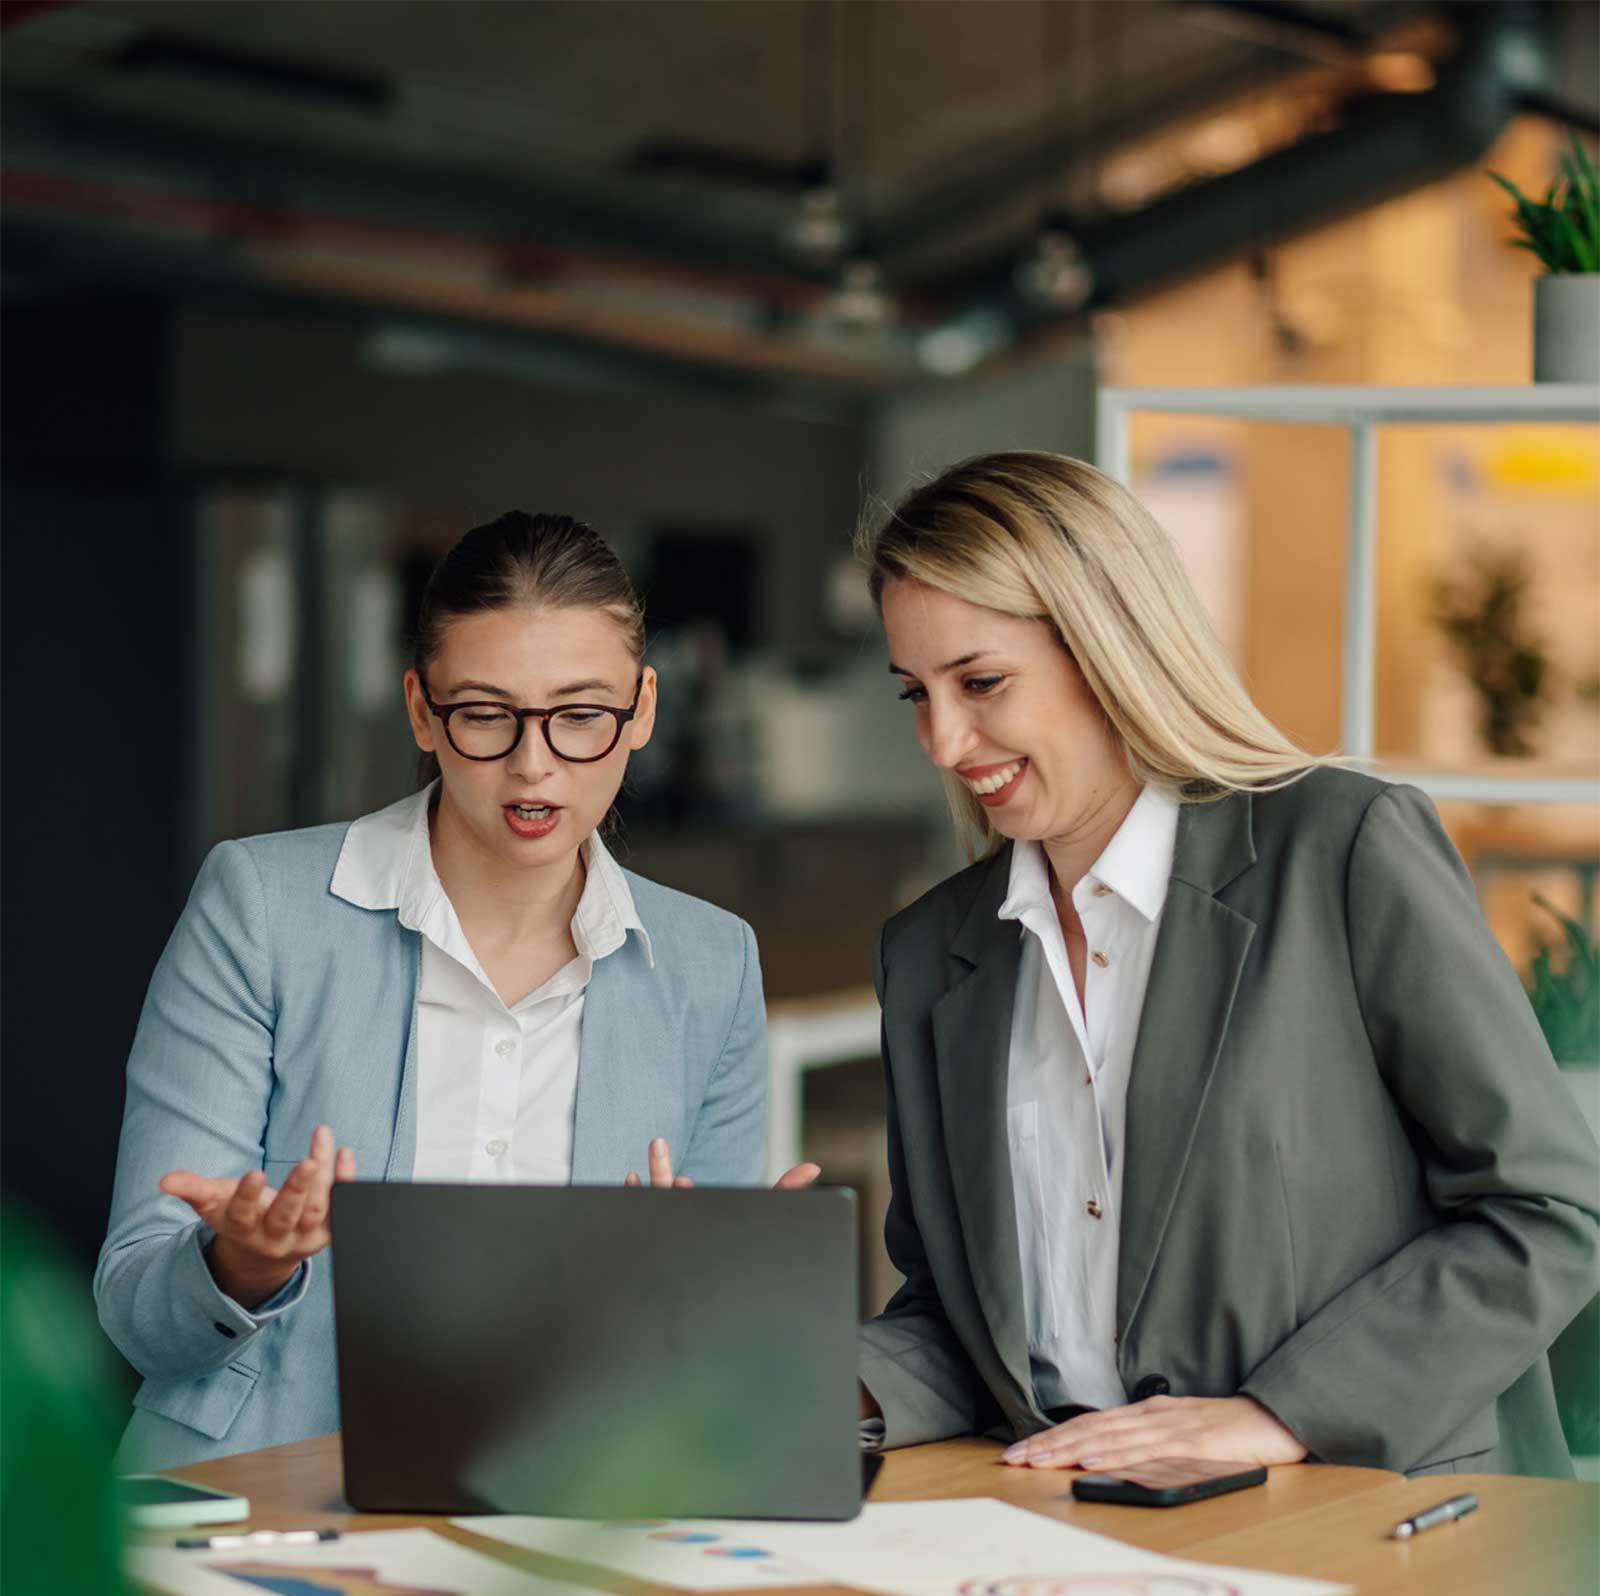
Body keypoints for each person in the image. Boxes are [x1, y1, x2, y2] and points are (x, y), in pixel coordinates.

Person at [857, 451, 1597, 1478]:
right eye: (915, 694)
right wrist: (821, 1377)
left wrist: (1278, 1412)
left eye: (980, 683)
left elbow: (1544, 1211)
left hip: (1360, 1511)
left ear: (1108, 646)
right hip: (1063, 1528)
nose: (942, 741)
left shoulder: (1339, 850)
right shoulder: (930, 952)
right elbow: (956, 1314)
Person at [97, 511, 813, 1469]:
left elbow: (706, 1386)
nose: (534, 762)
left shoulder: (710, 964)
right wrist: (247, 1262)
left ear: (642, 709)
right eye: (484, 712)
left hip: (555, 1514)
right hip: (261, 1499)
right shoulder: (262, 907)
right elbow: (136, 1316)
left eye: (581, 713)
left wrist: (730, 1296)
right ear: (421, 709)